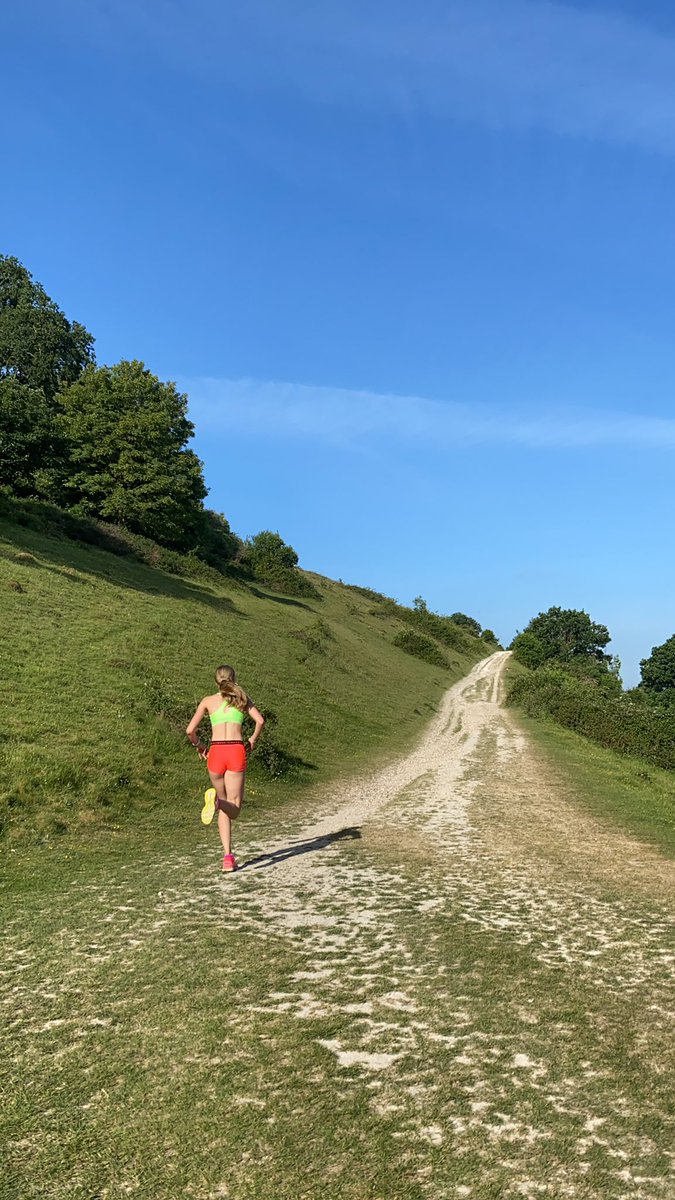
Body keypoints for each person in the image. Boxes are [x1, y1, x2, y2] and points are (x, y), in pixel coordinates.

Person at [186, 665, 265, 872]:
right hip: (235, 751)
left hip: (216, 753)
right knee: (234, 808)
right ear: (234, 679)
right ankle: (218, 802)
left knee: (223, 807)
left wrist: (199, 745)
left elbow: (190, 730)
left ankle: (227, 857)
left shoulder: (207, 701)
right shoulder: (241, 699)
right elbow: (260, 720)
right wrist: (252, 740)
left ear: (215, 682)